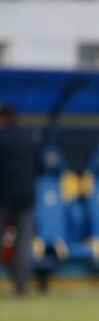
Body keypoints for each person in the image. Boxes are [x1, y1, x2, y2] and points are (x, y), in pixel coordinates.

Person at [0, 103, 38, 296]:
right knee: (23, 243)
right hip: (26, 198)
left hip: (3, 197)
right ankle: (21, 285)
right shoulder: (28, 141)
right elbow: (39, 168)